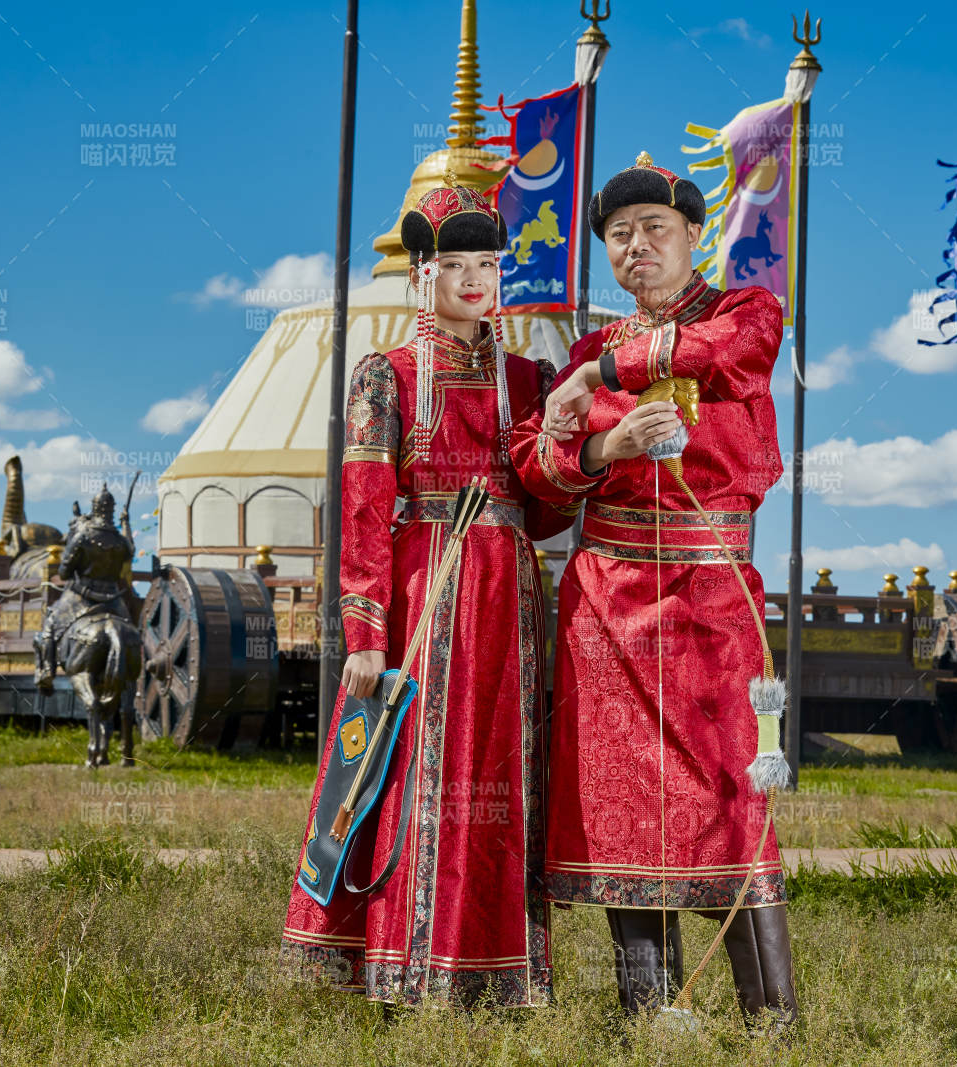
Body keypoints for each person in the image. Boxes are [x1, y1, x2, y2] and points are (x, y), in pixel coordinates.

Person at [510, 151, 797, 1024]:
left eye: (653, 230)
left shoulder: (747, 310)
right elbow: (534, 470)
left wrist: (597, 381)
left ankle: (771, 1018)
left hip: (711, 598)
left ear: (695, 235)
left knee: (729, 793)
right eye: (619, 236)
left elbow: (732, 357)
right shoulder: (589, 344)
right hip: (604, 602)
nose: (636, 248)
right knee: (618, 799)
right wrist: (605, 448)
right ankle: (647, 1011)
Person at [281, 179, 570, 1008]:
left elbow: (546, 511)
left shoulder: (531, 376)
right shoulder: (388, 375)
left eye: (488, 263)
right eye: (456, 265)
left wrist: (576, 444)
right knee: (411, 765)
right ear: (422, 274)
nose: (476, 280)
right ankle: (397, 962)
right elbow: (366, 505)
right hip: (424, 589)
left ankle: (496, 971)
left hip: (510, 594)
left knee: (500, 770)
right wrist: (365, 631)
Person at [33, 486, 133, 693]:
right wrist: (126, 524)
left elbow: (64, 573)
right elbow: (130, 551)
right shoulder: (119, 539)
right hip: (114, 600)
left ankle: (46, 672)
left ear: (94, 508)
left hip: (82, 596)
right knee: (131, 631)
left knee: (50, 624)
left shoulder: (84, 536)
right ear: (112, 510)